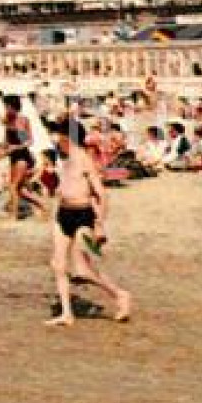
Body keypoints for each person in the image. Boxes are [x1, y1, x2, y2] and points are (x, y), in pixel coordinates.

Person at [45, 120, 132, 327]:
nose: (56, 140)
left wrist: (100, 224)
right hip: (63, 213)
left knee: (82, 269)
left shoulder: (84, 159)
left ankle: (120, 295)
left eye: (60, 136)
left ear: (69, 138)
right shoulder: (63, 159)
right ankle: (67, 314)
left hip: (83, 215)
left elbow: (102, 194)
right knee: (58, 265)